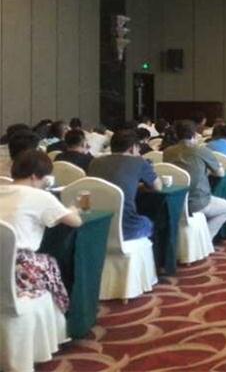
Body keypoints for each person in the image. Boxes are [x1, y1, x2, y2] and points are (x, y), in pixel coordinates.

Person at [0, 149, 83, 313]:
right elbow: (76, 222)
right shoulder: (40, 196)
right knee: (50, 262)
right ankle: (61, 313)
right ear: (34, 176)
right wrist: (75, 209)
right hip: (19, 269)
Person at [164, 120, 226, 239]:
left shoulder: (167, 152)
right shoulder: (201, 150)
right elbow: (220, 173)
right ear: (194, 134)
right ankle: (205, 238)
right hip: (197, 202)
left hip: (175, 201)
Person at [88, 130, 161, 240]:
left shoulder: (95, 162)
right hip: (127, 228)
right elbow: (158, 187)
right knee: (148, 222)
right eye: (138, 149)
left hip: (97, 226)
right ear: (133, 148)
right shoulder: (139, 162)